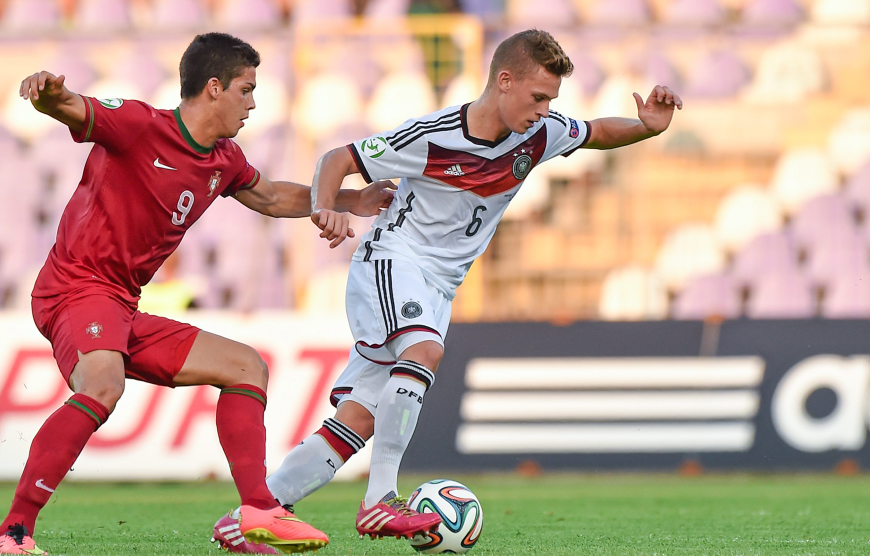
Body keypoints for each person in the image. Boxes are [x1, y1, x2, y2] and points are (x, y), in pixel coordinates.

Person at [220, 28, 683, 548]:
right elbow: (339, 158)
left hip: (438, 287)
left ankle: (252, 516)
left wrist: (646, 128)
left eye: (551, 100)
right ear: (504, 81)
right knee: (423, 350)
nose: (545, 110)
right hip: (393, 260)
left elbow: (596, 131)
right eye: (538, 97)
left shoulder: (540, 134)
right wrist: (328, 206)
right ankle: (380, 501)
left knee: (357, 422)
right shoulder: (434, 135)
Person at [0, 32, 394, 555]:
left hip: (121, 303)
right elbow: (68, 105)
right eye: (246, 90)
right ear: (215, 88)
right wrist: (45, 92)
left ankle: (258, 513)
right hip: (76, 286)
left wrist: (352, 197)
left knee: (247, 366)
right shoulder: (138, 125)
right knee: (103, 384)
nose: (253, 103)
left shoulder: (223, 158)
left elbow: (270, 197)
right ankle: (13, 533)